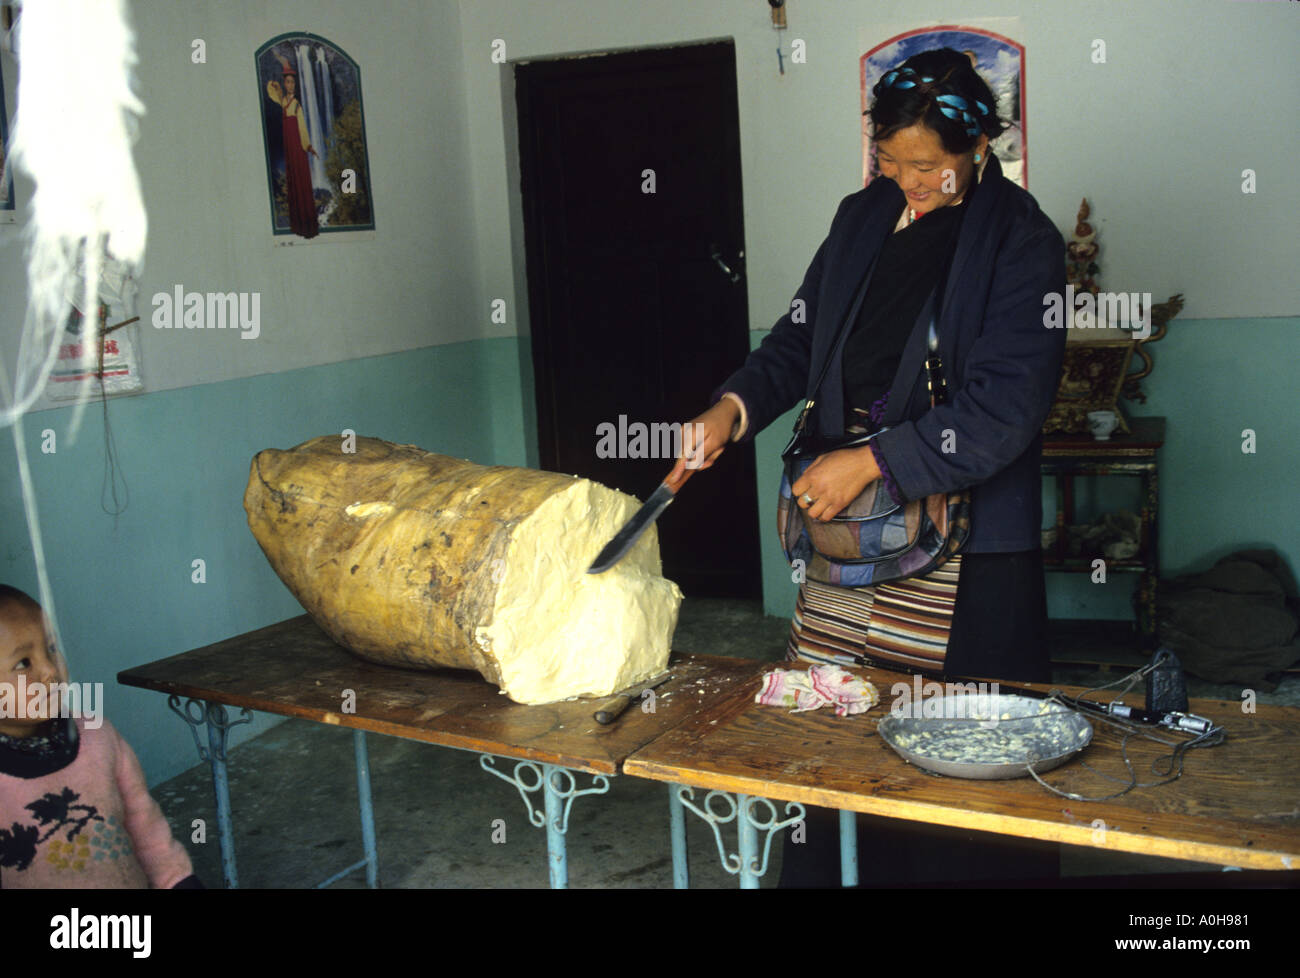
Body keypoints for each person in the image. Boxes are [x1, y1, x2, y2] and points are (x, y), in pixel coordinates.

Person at [667, 47, 1066, 884]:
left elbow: (1004, 411)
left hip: (969, 556)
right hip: (850, 538)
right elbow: (801, 336)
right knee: (833, 740)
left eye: (928, 165)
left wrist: (873, 460)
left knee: (957, 763)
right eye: (892, 159)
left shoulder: (1020, 242)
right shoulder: (862, 218)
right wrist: (732, 408)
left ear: (978, 147)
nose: (910, 181)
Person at [0, 585, 201, 888]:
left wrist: (178, 880)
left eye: (52, 647)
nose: (50, 670)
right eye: (23, 663)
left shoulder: (98, 736)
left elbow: (144, 825)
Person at [267, 56, 320, 239]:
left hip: (297, 146)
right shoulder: (283, 102)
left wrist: (308, 146)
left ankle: (307, 225)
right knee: (293, 181)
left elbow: (303, 127)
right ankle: (296, 224)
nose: (290, 86)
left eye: (292, 83)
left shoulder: (296, 105)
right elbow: (271, 91)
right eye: (288, 82)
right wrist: (281, 72)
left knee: (300, 178)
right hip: (288, 145)